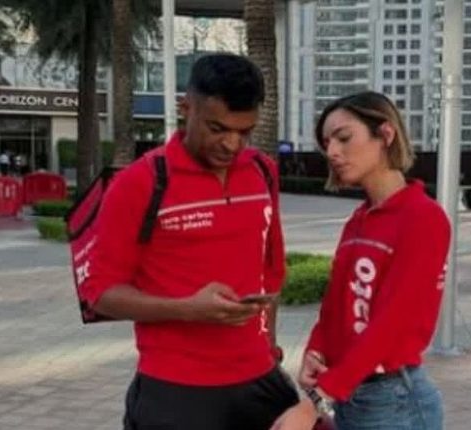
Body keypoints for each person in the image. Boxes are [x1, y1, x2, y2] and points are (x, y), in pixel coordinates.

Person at [82, 53, 298, 430]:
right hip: (177, 390)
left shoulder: (263, 171)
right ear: (186, 108)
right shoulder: (139, 182)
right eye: (217, 128)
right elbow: (99, 294)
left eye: (244, 132)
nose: (232, 144)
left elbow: (271, 270)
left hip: (259, 380)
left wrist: (270, 351)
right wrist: (187, 309)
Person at [272, 91, 450, 430]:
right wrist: (316, 350)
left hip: (394, 401)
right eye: (327, 143)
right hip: (353, 394)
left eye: (343, 138)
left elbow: (391, 323)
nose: (332, 152)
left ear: (385, 134)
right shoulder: (359, 219)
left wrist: (317, 400)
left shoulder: (423, 218)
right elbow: (335, 304)